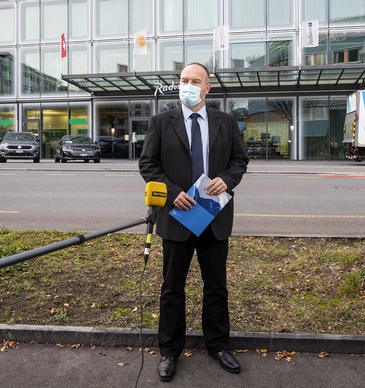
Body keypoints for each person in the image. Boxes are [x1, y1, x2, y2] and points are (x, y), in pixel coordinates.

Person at [139, 62, 248, 382]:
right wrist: (173, 193)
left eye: (194, 80)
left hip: (214, 216)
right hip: (177, 217)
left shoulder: (226, 122)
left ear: (207, 88)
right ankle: (169, 351)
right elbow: (148, 164)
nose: (187, 84)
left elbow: (239, 160)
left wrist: (226, 180)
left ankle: (218, 345)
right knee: (172, 288)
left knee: (216, 286)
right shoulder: (161, 121)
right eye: (183, 79)